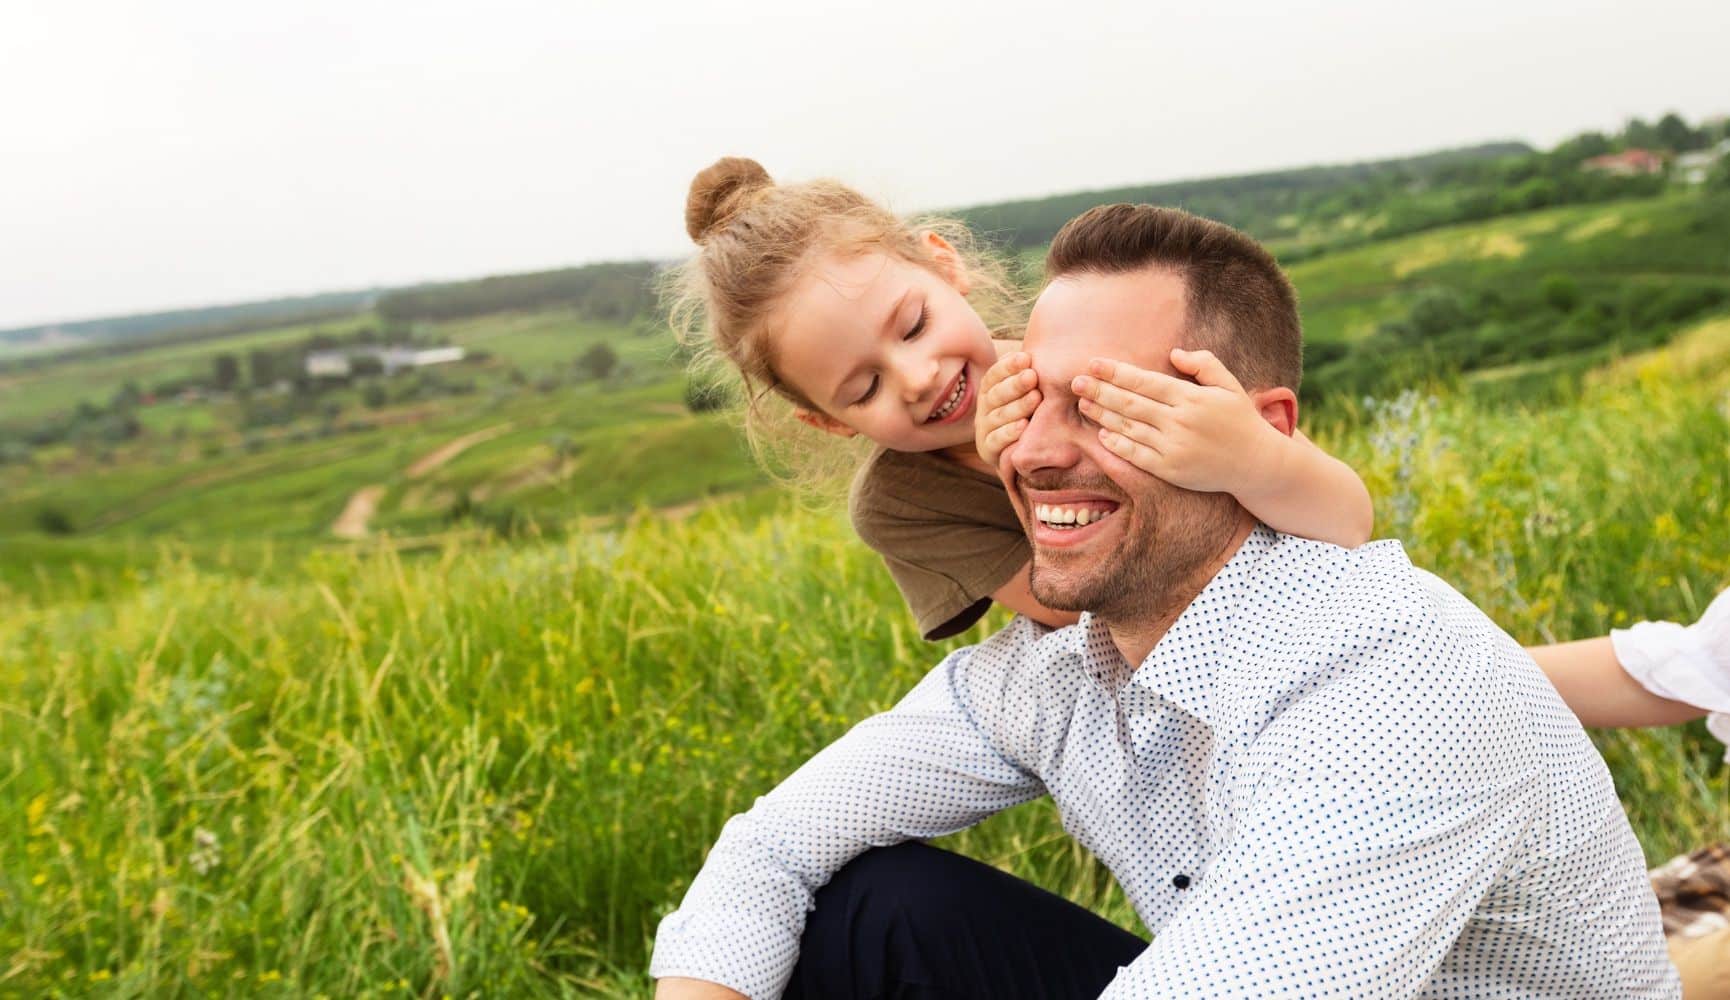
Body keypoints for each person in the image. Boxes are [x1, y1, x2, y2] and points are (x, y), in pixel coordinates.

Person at [652, 203, 1691, 997]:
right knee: (873, 911)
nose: (1034, 452)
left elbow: (1341, 516)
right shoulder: (1055, 660)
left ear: (1250, 431)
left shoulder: (1392, 699)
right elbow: (769, 848)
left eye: (1107, 405)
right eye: (1029, 401)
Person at [666, 156, 1725, 729]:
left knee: (1491, 684)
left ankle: (1697, 671)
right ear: (824, 421)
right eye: (862, 386)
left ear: (942, 266)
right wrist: (1017, 466)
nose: (916, 377)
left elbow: (1344, 518)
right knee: (1464, 706)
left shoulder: (1094, 352)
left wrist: (1248, 459)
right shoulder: (899, 503)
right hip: (1175, 694)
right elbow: (1076, 603)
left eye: (910, 326)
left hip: (1295, 599)